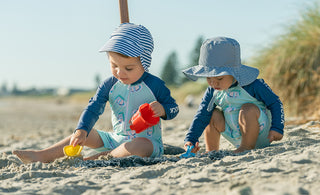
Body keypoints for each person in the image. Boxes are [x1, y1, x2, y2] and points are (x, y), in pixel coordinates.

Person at [13, 23, 179, 163]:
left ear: (145, 62)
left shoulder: (154, 85)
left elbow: (174, 108)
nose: (120, 73)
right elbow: (94, 107)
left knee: (139, 145)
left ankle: (99, 159)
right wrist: (81, 130)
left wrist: (163, 110)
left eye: (128, 68)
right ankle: (42, 155)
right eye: (114, 66)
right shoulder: (110, 84)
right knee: (88, 133)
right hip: (116, 139)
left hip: (147, 142)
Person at [182, 37, 284, 154]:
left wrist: (277, 128)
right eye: (208, 77)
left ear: (234, 73)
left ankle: (246, 147)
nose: (213, 83)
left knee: (248, 109)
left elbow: (275, 102)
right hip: (235, 136)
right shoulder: (213, 91)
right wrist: (190, 139)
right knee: (212, 113)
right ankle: (212, 151)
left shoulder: (252, 85)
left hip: (261, 134)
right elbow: (201, 115)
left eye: (219, 78)